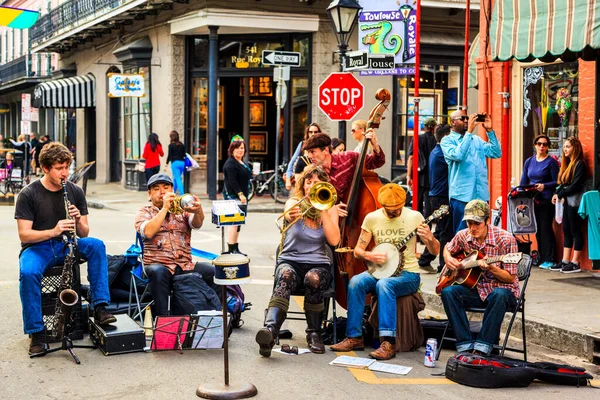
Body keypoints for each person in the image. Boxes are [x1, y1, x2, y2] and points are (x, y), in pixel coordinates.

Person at [15, 142, 115, 356]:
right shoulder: (28, 193)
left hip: (67, 244)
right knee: (28, 272)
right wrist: (54, 230)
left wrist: (78, 219)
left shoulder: (75, 191)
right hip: (37, 247)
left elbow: (84, 233)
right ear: (45, 168)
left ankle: (100, 307)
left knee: (96, 245)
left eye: (67, 167)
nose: (65, 173)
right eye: (59, 168)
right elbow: (24, 234)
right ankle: (37, 333)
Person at [330, 184, 439, 360]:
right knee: (356, 282)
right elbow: (358, 250)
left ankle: (388, 342)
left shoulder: (415, 217)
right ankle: (354, 336)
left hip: (408, 274)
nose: (396, 212)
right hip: (380, 271)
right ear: (382, 206)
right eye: (391, 210)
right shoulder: (372, 218)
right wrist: (370, 255)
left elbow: (435, 252)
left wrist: (430, 238)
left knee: (384, 285)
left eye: (398, 208)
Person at [256, 165, 340, 357]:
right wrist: (290, 214)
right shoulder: (294, 202)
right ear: (302, 185)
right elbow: (288, 210)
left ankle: (314, 333)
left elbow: (334, 240)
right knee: (285, 275)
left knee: (313, 278)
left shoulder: (331, 207)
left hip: (318, 265)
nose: (312, 186)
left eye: (317, 182)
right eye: (308, 182)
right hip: (290, 262)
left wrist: (324, 209)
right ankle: (269, 332)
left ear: (325, 185)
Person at [441, 199, 520, 356]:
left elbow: (510, 278)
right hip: (476, 289)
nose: (472, 228)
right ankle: (465, 344)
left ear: (487, 221)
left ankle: (483, 347)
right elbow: (447, 248)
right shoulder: (463, 236)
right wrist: (448, 258)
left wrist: (491, 268)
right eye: (469, 223)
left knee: (499, 294)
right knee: (448, 292)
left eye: (477, 223)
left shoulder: (506, 239)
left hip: (503, 291)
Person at [134, 173, 212, 316]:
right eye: (156, 189)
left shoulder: (181, 210)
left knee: (212, 271)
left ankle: (217, 317)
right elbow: (149, 232)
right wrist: (164, 208)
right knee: (159, 272)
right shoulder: (144, 211)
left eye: (166, 187)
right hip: (157, 265)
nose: (162, 192)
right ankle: (164, 321)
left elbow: (197, 223)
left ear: (172, 191)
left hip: (185, 264)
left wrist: (198, 210)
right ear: (149, 194)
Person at [441, 111, 501, 234]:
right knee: (463, 233)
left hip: (481, 195)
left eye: (467, 118)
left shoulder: (476, 140)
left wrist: (489, 131)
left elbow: (496, 152)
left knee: (482, 233)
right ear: (452, 122)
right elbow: (458, 155)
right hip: (462, 196)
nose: (466, 121)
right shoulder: (447, 141)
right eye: (462, 118)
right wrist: (468, 132)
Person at [302, 132, 385, 207]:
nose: (309, 156)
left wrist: (374, 144)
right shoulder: (314, 172)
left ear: (326, 150)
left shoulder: (348, 158)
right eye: (308, 152)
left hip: (354, 212)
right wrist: (333, 210)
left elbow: (377, 162)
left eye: (312, 152)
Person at [520, 135, 560, 269]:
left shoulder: (551, 162)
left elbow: (557, 181)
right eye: (539, 144)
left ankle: (550, 258)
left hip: (546, 199)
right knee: (537, 229)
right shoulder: (529, 161)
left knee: (546, 228)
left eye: (544, 144)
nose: (541, 146)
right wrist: (520, 193)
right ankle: (542, 257)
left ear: (548, 146)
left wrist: (545, 185)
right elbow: (524, 180)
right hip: (533, 200)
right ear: (535, 145)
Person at [419, 124, 453, 273]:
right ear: (446, 137)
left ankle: (425, 260)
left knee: (439, 230)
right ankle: (443, 265)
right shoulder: (442, 154)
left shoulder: (436, 151)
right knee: (445, 232)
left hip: (436, 195)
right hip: (441, 197)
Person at [551, 136, 586, 273]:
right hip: (567, 202)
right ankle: (565, 260)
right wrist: (556, 193)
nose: (565, 149)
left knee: (575, 231)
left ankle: (575, 262)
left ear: (575, 148)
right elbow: (562, 184)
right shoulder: (567, 165)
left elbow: (576, 185)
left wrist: (560, 194)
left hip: (575, 203)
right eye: (564, 147)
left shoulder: (580, 164)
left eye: (568, 146)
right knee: (566, 230)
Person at [223, 136, 253, 255]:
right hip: (234, 196)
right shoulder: (231, 163)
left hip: (242, 196)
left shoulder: (240, 162)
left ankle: (235, 247)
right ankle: (231, 248)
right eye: (238, 148)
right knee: (234, 223)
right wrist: (240, 194)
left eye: (242, 148)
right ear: (232, 149)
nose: (240, 150)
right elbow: (232, 181)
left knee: (238, 223)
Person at [407, 117, 438, 217]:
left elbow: (411, 158)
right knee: (428, 201)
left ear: (424, 127)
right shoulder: (436, 140)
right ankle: (427, 223)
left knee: (417, 201)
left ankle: (417, 222)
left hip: (419, 174)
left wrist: (408, 176)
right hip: (432, 175)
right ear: (434, 127)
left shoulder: (417, 138)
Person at [285, 123, 322, 191]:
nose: (313, 134)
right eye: (310, 132)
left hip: (318, 178)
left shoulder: (322, 145)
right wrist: (288, 179)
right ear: (307, 133)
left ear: (319, 133)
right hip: (303, 178)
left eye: (315, 132)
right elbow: (293, 161)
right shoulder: (303, 144)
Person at [166, 130, 186, 195]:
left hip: (175, 163)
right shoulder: (182, 145)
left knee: (178, 179)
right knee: (175, 178)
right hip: (182, 163)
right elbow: (184, 155)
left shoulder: (171, 145)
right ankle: (173, 192)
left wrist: (166, 164)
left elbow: (169, 155)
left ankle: (182, 194)